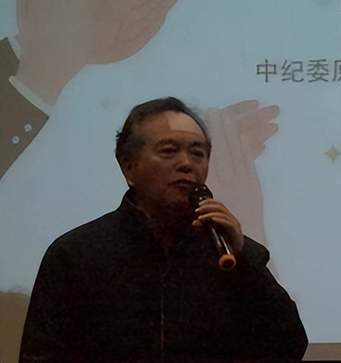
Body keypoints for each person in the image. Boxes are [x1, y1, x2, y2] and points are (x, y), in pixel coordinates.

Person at [19, 97, 308, 362]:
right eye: (169, 151)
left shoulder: (231, 253)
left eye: (198, 153)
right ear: (128, 166)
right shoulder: (76, 254)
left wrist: (245, 263)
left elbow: (289, 346)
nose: (187, 164)